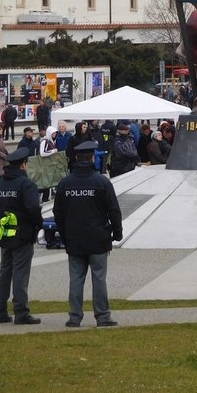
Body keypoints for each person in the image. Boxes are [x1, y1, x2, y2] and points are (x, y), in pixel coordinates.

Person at [53, 140, 123, 327]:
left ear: (76, 158)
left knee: (76, 279)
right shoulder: (101, 182)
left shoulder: (65, 183)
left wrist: (64, 234)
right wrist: (117, 233)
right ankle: (102, 316)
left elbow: (57, 212)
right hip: (98, 237)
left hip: (74, 238)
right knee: (99, 278)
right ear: (93, 158)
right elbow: (113, 210)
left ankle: (74, 317)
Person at [0, 146, 42, 325]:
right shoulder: (26, 184)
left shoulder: (0, 184)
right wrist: (37, 225)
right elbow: (33, 208)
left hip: (5, 231)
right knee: (20, 272)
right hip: (23, 233)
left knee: (5, 271)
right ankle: (21, 311)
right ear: (23, 165)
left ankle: (0, 311)